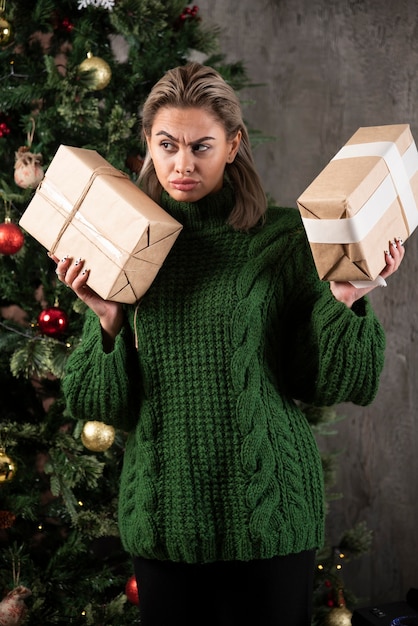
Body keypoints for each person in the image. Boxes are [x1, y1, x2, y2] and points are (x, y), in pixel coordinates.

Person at [53, 62, 405, 625]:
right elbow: (98, 405)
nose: (182, 164)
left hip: (271, 510)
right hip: (163, 511)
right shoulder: (123, 244)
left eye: (201, 146)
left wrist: (343, 297)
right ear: (147, 143)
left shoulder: (289, 238)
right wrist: (108, 320)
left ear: (234, 144)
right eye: (166, 145)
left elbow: (337, 384)